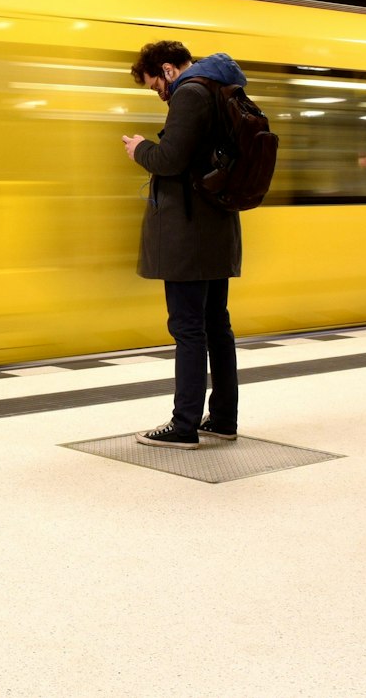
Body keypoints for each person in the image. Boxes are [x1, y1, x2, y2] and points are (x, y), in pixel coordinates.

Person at [121, 40, 246, 449]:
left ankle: (184, 425)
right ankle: (223, 418)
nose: (158, 93)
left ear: (168, 69)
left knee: (189, 329)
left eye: (155, 84)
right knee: (216, 326)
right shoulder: (219, 88)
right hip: (215, 227)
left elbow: (170, 160)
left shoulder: (190, 93)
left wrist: (140, 149)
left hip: (189, 234)